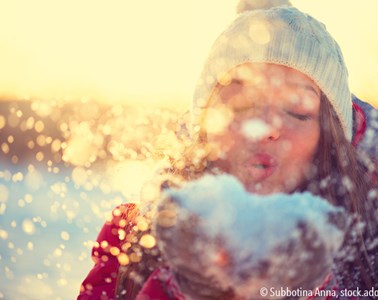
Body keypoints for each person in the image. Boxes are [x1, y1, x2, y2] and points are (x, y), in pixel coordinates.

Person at [77, 1, 378, 299]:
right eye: (241, 104)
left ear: (329, 139)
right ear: (205, 124)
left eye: (298, 110)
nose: (265, 126)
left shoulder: (368, 250)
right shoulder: (135, 239)